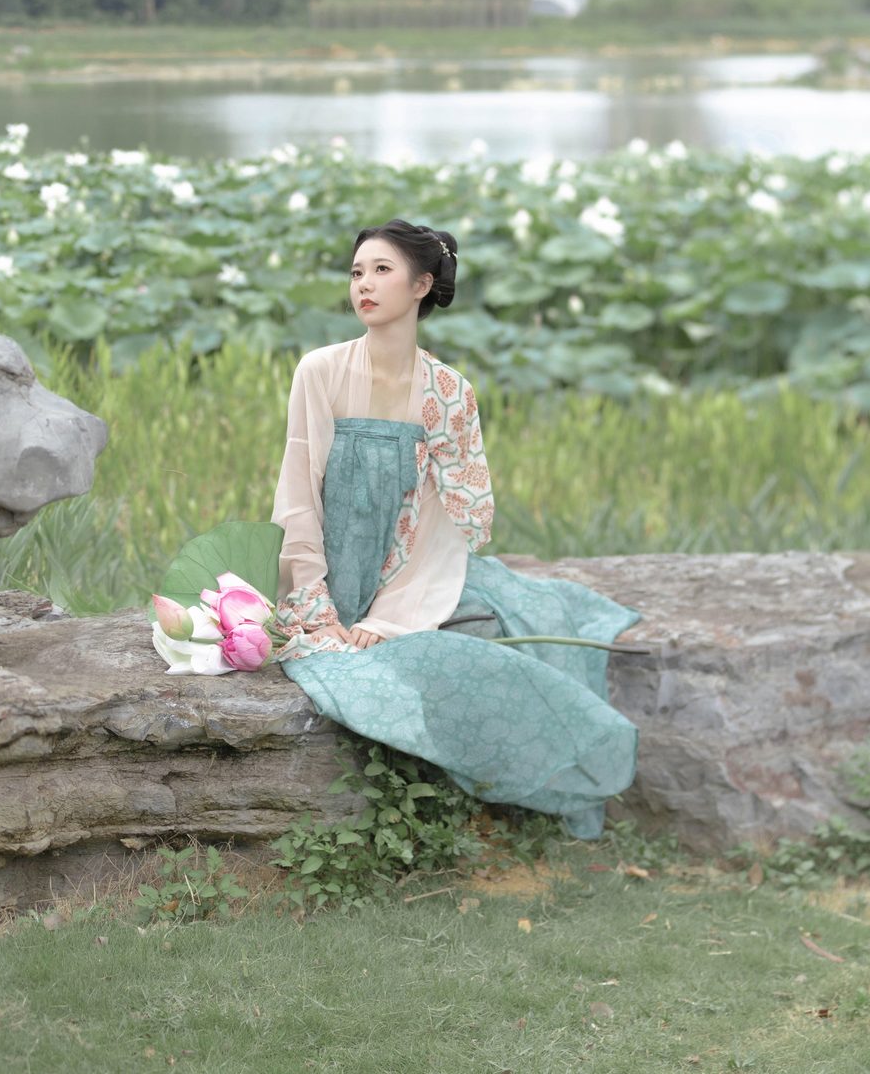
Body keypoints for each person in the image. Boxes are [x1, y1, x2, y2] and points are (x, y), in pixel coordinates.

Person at [270, 217, 641, 840]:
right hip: (325, 572)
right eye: (357, 272)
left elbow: (441, 521)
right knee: (339, 663)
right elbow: (297, 493)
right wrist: (314, 603)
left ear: (421, 285)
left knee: (493, 640)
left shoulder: (448, 392)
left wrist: (390, 617)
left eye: (381, 270)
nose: (364, 284)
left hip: (408, 573)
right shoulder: (321, 371)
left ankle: (553, 778)